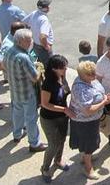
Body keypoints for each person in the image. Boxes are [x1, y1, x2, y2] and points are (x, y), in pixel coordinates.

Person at [1, 28, 46, 152]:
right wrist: (39, 68)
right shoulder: (23, 57)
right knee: (31, 118)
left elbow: (3, 65)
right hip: (27, 92)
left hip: (15, 90)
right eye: (28, 40)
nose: (31, 42)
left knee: (17, 113)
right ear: (20, 42)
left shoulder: (9, 51)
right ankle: (34, 143)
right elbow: (34, 77)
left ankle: (17, 134)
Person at [68, 61, 110, 180]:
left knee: (89, 143)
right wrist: (104, 102)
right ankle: (88, 168)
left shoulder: (89, 80)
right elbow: (87, 110)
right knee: (89, 144)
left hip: (93, 119)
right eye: (90, 74)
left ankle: (86, 157)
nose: (94, 76)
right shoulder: (80, 89)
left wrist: (104, 97)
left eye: (94, 73)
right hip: (85, 122)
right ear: (82, 75)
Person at [39, 55, 72, 183]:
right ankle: (45, 168)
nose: (66, 69)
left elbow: (66, 92)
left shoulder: (62, 77)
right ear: (54, 69)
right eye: (63, 68)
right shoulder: (48, 84)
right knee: (53, 144)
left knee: (62, 140)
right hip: (49, 119)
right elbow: (45, 104)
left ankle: (58, 161)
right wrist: (64, 109)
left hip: (62, 117)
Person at [23, 0, 54, 66]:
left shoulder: (34, 13)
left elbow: (23, 22)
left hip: (36, 45)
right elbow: (42, 37)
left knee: (41, 63)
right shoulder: (44, 20)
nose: (49, 7)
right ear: (45, 8)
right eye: (48, 6)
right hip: (43, 48)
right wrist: (46, 47)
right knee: (49, 66)